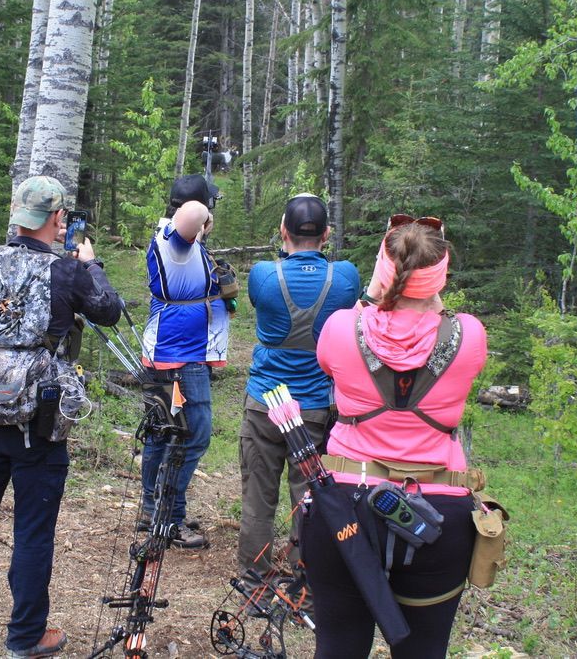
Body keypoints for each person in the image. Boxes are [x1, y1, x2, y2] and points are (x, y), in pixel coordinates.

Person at [0, 175, 121, 658]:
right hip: (36, 420)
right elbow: (107, 311)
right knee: (32, 529)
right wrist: (93, 265)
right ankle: (25, 636)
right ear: (58, 219)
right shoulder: (67, 271)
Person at [301, 217, 488, 658]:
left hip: (344, 505)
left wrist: (374, 293)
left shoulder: (342, 328)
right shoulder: (470, 334)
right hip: (438, 514)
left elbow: (334, 358)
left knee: (338, 646)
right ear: (440, 275)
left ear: (383, 270)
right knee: (424, 650)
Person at [237, 194, 360, 600]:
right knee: (307, 500)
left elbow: (257, 304)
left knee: (258, 498)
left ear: (283, 232)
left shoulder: (263, 275)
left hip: (264, 403)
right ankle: (303, 586)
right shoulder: (344, 277)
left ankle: (254, 588)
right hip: (313, 408)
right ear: (326, 235)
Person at [139, 173, 229, 550]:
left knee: (162, 433)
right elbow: (191, 212)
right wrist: (201, 215)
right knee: (193, 434)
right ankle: (169, 517)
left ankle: (153, 508)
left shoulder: (182, 244)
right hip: (181, 356)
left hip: (171, 352)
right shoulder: (176, 240)